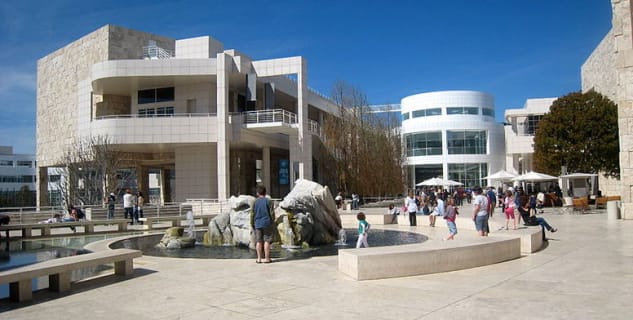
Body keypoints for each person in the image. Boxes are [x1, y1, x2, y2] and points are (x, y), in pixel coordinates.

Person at [251, 185, 275, 264]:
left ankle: (259, 259)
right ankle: (267, 259)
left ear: (258, 193)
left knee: (258, 241)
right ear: (265, 192)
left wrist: (252, 223)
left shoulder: (254, 202)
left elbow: (252, 214)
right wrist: (272, 222)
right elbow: (272, 214)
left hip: (257, 223)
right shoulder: (269, 201)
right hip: (267, 223)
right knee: (267, 241)